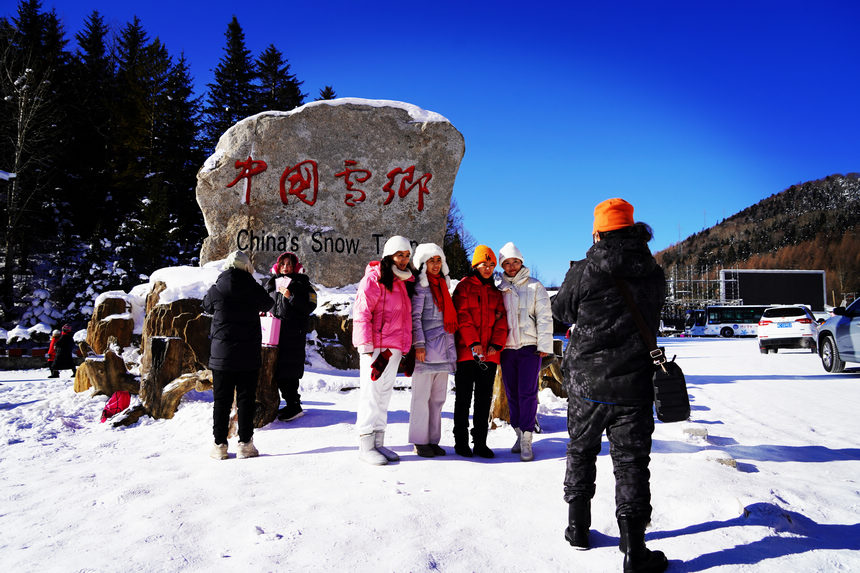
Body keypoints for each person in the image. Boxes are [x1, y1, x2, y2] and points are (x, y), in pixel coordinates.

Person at [552, 198, 668, 572]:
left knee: (581, 452)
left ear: (599, 231)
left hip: (586, 383)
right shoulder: (652, 271)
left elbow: (561, 313)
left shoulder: (585, 270)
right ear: (633, 230)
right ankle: (634, 549)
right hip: (634, 385)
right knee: (632, 463)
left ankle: (578, 529)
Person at [203, 250, 273, 460]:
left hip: (221, 354)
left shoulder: (217, 287)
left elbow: (206, 305)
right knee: (245, 399)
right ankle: (245, 444)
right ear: (246, 267)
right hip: (247, 354)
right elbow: (268, 304)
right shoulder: (252, 287)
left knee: (221, 401)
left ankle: (219, 445)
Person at [352, 236, 415, 465]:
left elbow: (406, 320)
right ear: (389, 255)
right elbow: (362, 312)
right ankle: (365, 444)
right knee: (371, 395)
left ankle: (378, 442)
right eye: (400, 255)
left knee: (384, 395)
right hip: (376, 349)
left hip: (394, 348)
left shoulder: (403, 282)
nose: (404, 260)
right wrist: (365, 346)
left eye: (407, 255)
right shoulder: (374, 278)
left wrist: (405, 348)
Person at [495, 242, 553, 462]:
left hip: (529, 348)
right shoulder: (499, 287)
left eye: (515, 262)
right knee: (511, 393)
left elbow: (545, 318)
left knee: (527, 392)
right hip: (507, 348)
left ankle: (528, 437)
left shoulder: (534, 286)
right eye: (507, 263)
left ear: (521, 262)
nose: (511, 267)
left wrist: (544, 346)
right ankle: (518, 434)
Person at [452, 245, 508, 458]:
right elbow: (462, 316)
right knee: (464, 399)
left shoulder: (495, 291)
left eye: (491, 265)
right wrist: (473, 342)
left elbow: (501, 319)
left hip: (490, 355)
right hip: (468, 353)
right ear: (475, 265)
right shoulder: (464, 287)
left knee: (484, 400)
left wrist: (496, 344)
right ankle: (461, 441)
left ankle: (481, 442)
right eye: (484, 264)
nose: (488, 268)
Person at [408, 243, 458, 458]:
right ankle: (420, 441)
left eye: (438, 260)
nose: (435, 265)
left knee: (438, 399)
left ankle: (433, 440)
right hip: (426, 351)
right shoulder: (421, 287)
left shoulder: (444, 287)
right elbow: (415, 318)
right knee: (421, 398)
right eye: (431, 261)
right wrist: (418, 344)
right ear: (422, 263)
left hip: (444, 351)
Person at [264, 252, 318, 422]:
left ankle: (294, 404)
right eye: (283, 264)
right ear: (277, 266)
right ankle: (288, 404)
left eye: (289, 264)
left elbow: (310, 305)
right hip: (273, 333)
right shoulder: (271, 283)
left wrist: (291, 296)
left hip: (293, 333)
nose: (286, 267)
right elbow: (265, 302)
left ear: (295, 266)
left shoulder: (302, 283)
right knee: (275, 368)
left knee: (289, 369)